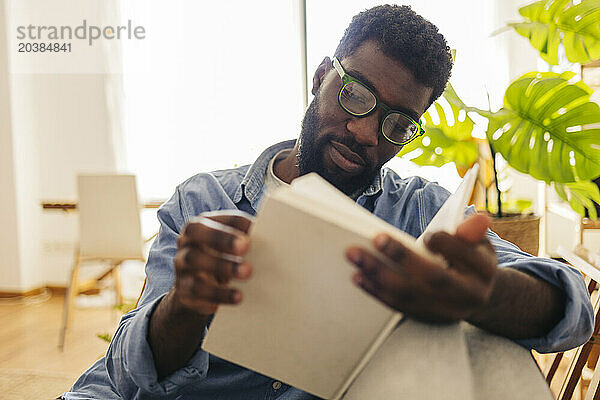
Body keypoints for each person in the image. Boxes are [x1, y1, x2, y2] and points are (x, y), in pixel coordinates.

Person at [62, 5, 593, 400]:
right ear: (320, 77)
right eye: (356, 94)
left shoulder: (420, 213)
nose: (365, 131)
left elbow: (573, 307)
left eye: (396, 124)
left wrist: (484, 291)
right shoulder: (205, 201)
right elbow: (131, 372)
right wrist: (186, 305)